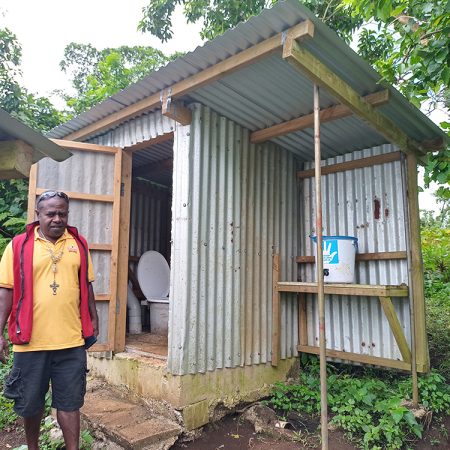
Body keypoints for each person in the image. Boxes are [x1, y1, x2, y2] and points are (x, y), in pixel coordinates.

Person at [0, 190, 99, 450]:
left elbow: (86, 285)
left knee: (70, 403)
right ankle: (33, 448)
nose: (57, 218)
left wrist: (94, 317)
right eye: (51, 213)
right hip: (30, 341)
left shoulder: (78, 244)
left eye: (62, 213)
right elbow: (6, 291)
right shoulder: (19, 245)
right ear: (38, 214)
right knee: (30, 403)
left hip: (70, 341)